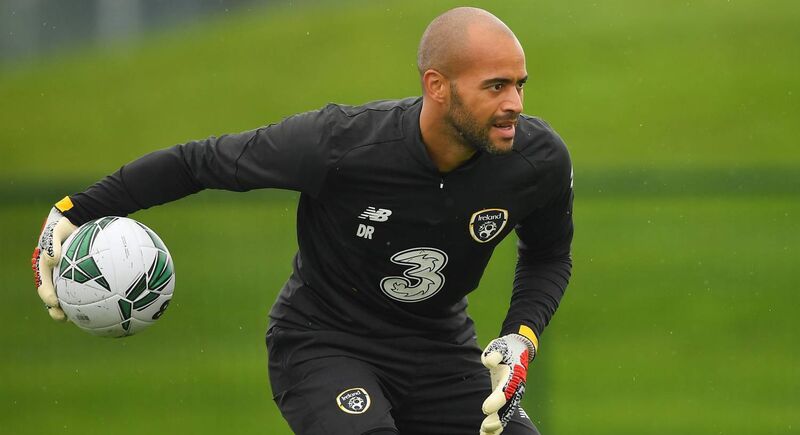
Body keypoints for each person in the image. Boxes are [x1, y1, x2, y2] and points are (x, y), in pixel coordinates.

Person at [31, 6, 573, 435]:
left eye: (520, 84)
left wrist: (519, 336)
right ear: (437, 85)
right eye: (495, 86)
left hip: (439, 350)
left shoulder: (538, 161)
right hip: (325, 343)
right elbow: (201, 162)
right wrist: (75, 210)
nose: (515, 103)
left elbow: (548, 254)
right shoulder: (340, 144)